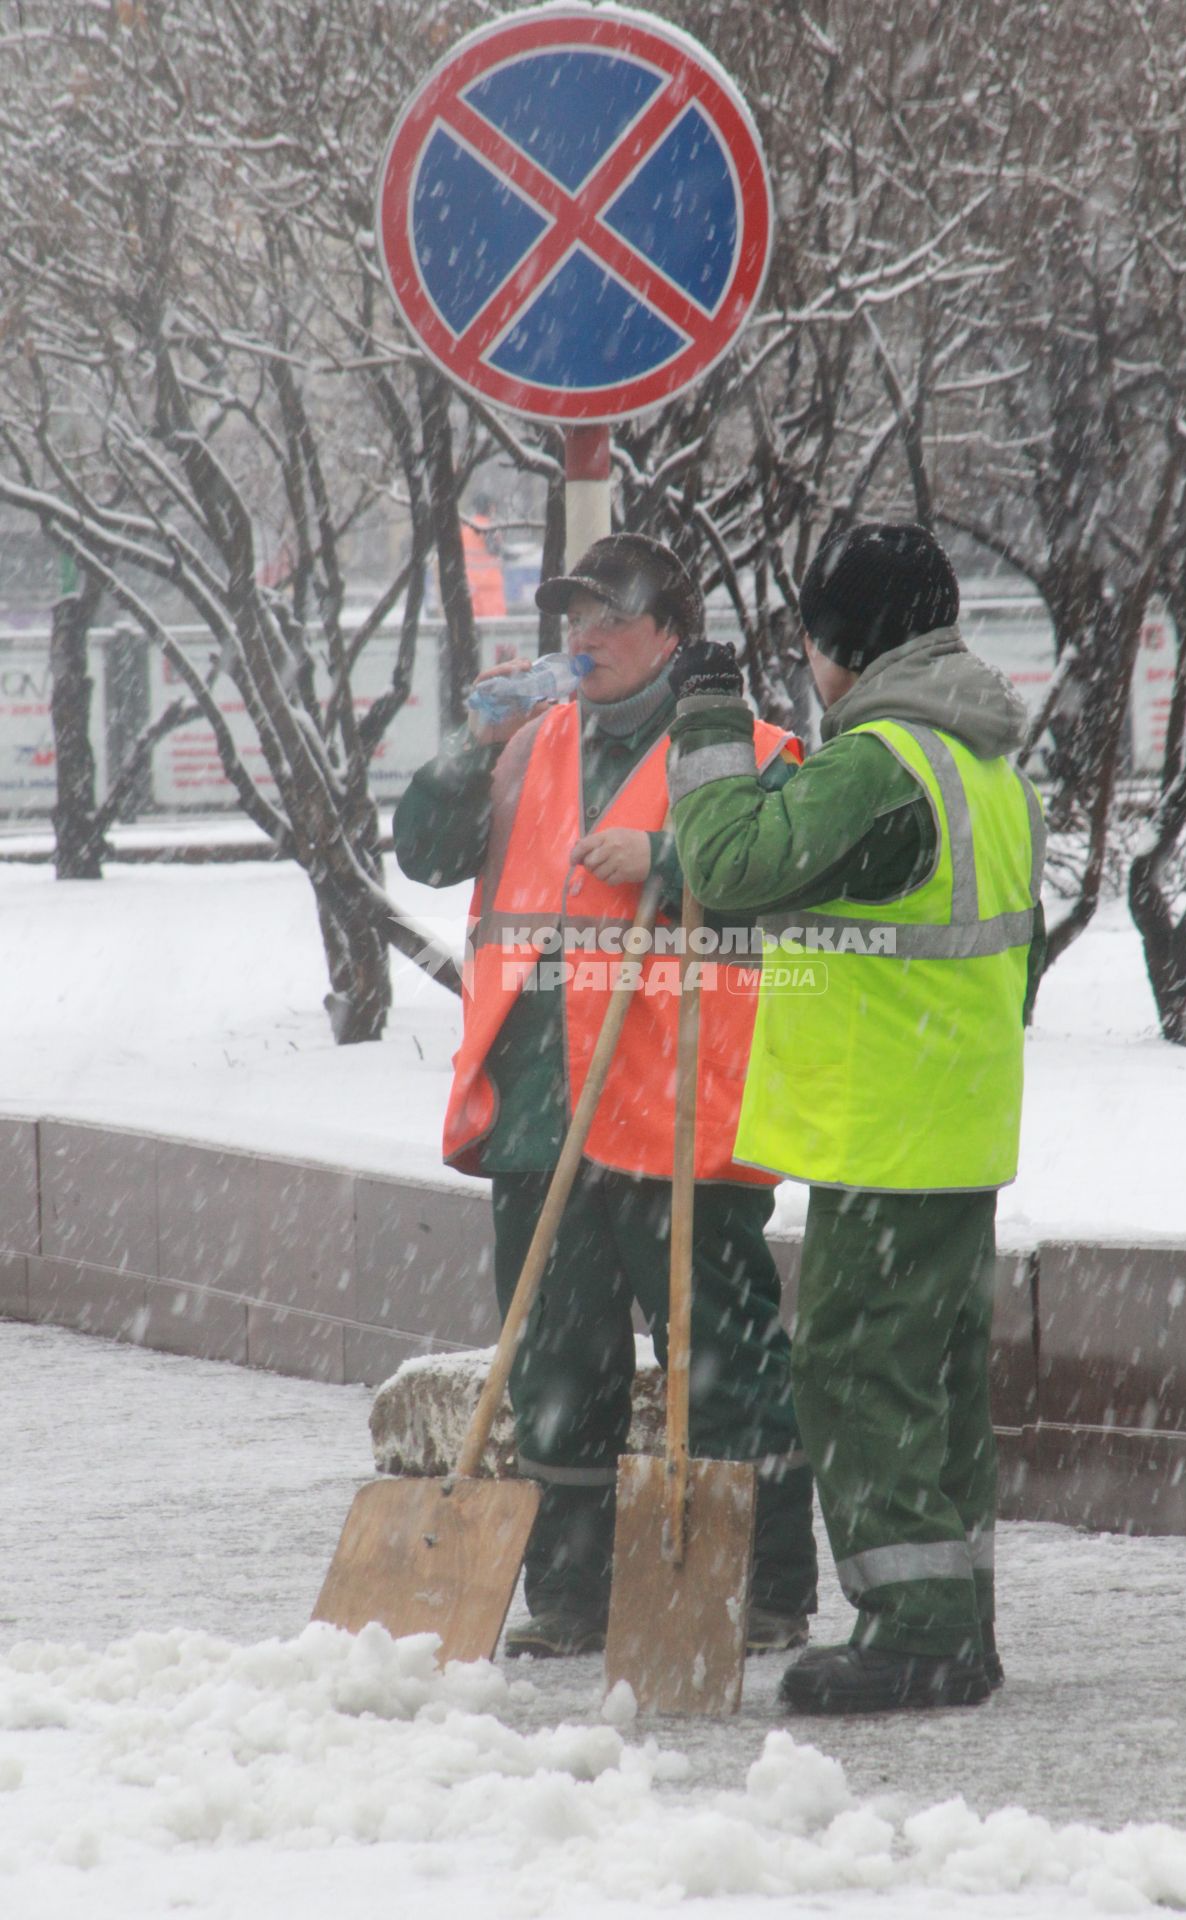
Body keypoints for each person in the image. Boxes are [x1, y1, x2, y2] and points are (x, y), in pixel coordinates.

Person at [393, 532, 818, 1658]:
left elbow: (792, 875)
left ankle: (763, 1588)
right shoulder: (526, 745)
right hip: (540, 1111)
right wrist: (458, 750)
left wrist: (674, 859)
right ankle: (571, 1598)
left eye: (612, 618)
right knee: (555, 1367)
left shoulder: (743, 745)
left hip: (675, 1104)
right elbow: (426, 855)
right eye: (573, 619)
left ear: (671, 632)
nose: (584, 639)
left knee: (720, 1362)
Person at [665, 520, 1046, 1713]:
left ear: (849, 641)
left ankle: (918, 1629)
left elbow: (729, 865)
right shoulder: (979, 764)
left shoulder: (881, 760)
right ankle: (955, 1613)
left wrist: (709, 725)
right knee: (931, 1383)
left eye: (813, 643)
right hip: (951, 1120)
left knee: (853, 1371)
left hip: (882, 1128)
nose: (809, 668)